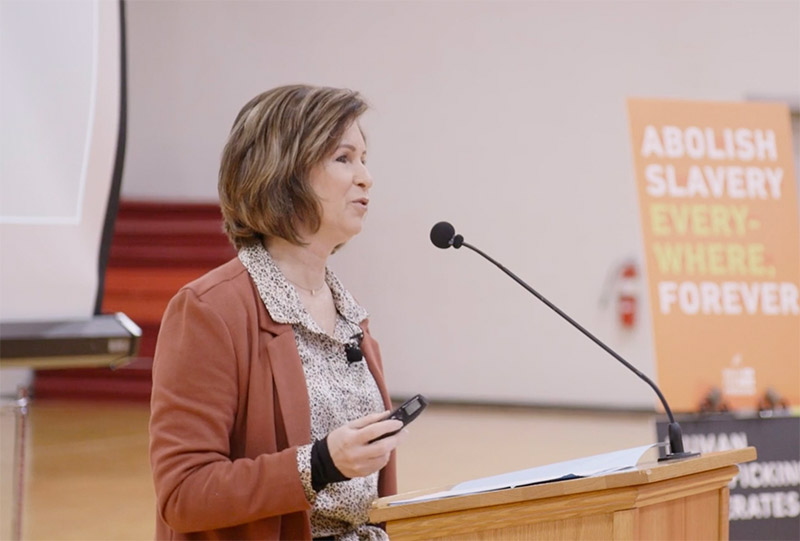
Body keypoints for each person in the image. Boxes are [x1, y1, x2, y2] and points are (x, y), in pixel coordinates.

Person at [149, 85, 405, 540]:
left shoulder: (351, 318)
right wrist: (320, 464)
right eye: (344, 158)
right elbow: (183, 494)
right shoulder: (210, 311)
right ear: (285, 172)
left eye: (365, 159)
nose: (366, 177)